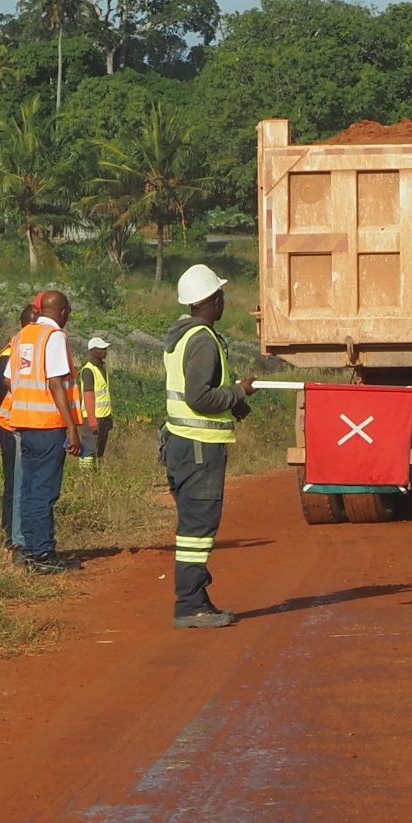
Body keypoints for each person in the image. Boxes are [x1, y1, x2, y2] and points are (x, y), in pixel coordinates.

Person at [162, 264, 256, 628]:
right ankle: (191, 605)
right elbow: (198, 395)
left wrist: (235, 402)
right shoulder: (202, 339)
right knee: (197, 531)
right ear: (213, 300)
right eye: (221, 295)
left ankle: (193, 602)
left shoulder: (183, 335)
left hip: (184, 446)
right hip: (199, 449)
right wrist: (239, 391)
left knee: (193, 528)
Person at [4, 290, 83, 574]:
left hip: (24, 425)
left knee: (28, 490)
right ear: (62, 312)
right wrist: (72, 428)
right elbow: (55, 384)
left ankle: (28, 550)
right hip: (49, 426)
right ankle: (43, 555)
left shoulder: (21, 336)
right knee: (43, 492)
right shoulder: (54, 338)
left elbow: (8, 380)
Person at [0, 304, 38, 555]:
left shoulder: (23, 349)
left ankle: (15, 535)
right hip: (11, 426)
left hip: (23, 424)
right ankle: (12, 537)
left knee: (20, 484)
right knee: (15, 485)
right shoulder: (13, 353)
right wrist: (0, 416)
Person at [80, 335, 114, 468]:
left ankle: (95, 476)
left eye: (105, 349)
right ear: (93, 350)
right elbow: (88, 396)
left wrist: (109, 417)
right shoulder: (88, 370)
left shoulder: (102, 368)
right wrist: (93, 420)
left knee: (99, 451)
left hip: (104, 416)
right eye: (101, 349)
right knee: (88, 451)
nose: (105, 351)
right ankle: (85, 478)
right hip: (93, 418)